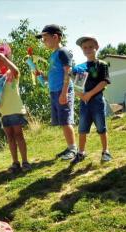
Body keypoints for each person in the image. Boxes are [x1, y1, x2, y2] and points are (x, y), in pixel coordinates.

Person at [37, 24, 78, 160]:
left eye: (45, 38)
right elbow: (56, 73)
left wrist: (64, 92)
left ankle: (73, 149)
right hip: (55, 91)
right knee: (62, 121)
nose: (43, 41)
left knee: (66, 121)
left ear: (55, 37)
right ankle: (69, 146)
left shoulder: (63, 52)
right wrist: (44, 76)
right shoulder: (54, 54)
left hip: (63, 90)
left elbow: (68, 71)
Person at [0, 43, 31, 172]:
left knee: (19, 135)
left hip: (15, 110)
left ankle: (25, 162)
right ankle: (15, 162)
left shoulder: (11, 73)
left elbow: (16, 71)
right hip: (3, 112)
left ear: (6, 57)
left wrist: (5, 59)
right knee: (10, 137)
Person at [73, 34, 112, 164]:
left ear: (96, 47)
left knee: (101, 127)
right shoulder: (80, 68)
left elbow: (104, 82)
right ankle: (81, 152)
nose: (88, 49)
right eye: (85, 47)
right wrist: (82, 95)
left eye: (90, 46)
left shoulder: (102, 65)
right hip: (84, 103)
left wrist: (89, 94)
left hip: (97, 101)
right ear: (82, 50)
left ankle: (106, 151)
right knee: (82, 128)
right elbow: (77, 87)